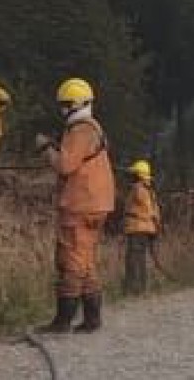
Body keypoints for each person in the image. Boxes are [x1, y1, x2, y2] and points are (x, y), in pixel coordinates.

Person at [36, 76, 113, 334]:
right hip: (97, 203)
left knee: (70, 260)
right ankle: (92, 319)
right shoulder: (94, 128)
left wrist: (46, 148)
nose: (61, 110)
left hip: (81, 204)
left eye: (64, 105)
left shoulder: (80, 129)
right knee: (86, 261)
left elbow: (65, 165)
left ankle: (62, 321)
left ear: (73, 104)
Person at [122, 158, 161, 294]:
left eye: (133, 174)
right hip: (146, 228)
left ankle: (133, 290)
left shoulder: (138, 189)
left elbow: (140, 202)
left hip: (137, 228)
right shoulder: (149, 190)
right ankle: (142, 289)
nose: (130, 177)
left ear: (138, 175)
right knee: (141, 260)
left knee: (133, 260)